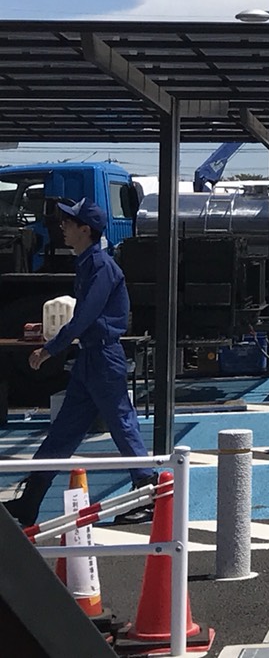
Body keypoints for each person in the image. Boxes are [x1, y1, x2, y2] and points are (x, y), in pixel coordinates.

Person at [4, 199, 154, 527]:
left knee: (121, 423)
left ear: (85, 230)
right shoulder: (90, 263)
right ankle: (30, 500)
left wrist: (48, 350)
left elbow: (84, 316)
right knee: (66, 430)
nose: (63, 227)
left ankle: (148, 492)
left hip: (102, 356)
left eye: (69, 223)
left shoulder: (100, 266)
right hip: (92, 357)